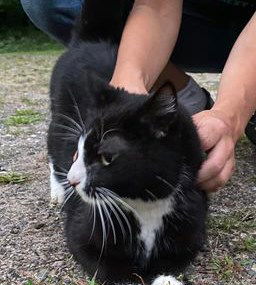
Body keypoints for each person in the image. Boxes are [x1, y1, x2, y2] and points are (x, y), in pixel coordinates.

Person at [20, 0, 256, 192]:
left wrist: (229, 115)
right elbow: (156, 6)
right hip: (199, 22)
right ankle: (190, 98)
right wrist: (128, 79)